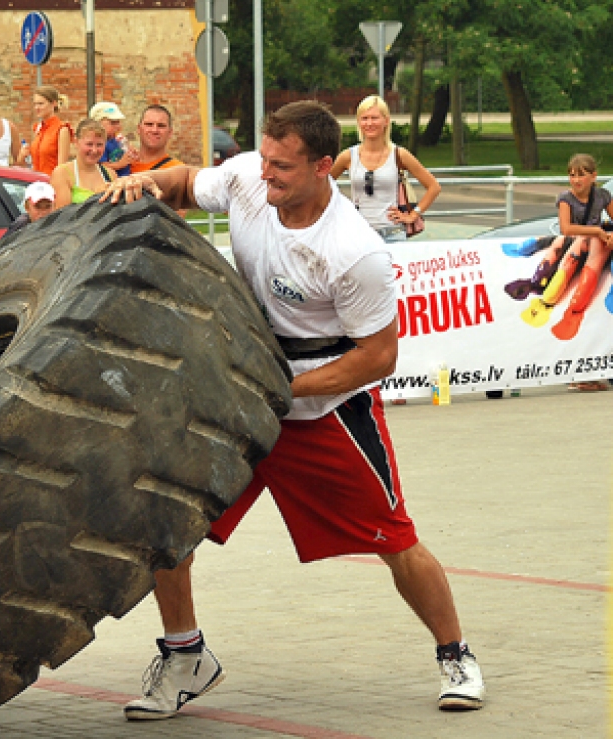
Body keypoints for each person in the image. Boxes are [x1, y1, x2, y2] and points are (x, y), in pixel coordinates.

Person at [103, 100, 486, 717]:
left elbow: (377, 358)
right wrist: (144, 180)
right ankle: (184, 656)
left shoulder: (353, 251)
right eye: (267, 160)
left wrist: (284, 390)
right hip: (238, 403)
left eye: (283, 167)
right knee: (166, 526)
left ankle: (455, 654)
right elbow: (180, 182)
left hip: (323, 412)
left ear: (322, 167)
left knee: (397, 542)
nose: (267, 175)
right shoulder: (249, 177)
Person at [521, 154, 613, 386]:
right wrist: (597, 232)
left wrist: (607, 233)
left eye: (581, 174)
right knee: (586, 240)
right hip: (574, 242)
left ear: (594, 176)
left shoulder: (603, 196)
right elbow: (566, 227)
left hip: (591, 243)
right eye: (572, 175)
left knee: (595, 243)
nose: (576, 180)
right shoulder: (565, 199)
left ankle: (570, 308)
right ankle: (559, 301)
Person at [330, 95, 441, 243]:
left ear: (386, 121)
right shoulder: (348, 156)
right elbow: (323, 185)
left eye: (374, 118)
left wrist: (413, 215)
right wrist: (340, 212)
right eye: (364, 118)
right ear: (358, 122)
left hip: (392, 233)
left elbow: (434, 187)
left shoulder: (399, 154)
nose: (369, 123)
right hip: (360, 234)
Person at [50, 119, 117, 208]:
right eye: (89, 144)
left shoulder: (111, 175)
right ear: (76, 142)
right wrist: (96, 198)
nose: (94, 150)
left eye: (99, 145)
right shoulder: (62, 174)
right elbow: (63, 218)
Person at [23, 85, 72, 176]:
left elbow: (62, 167)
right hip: (36, 182)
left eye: (41, 104)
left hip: (51, 182)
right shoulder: (37, 128)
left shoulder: (62, 129)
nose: (36, 108)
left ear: (54, 103)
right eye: (35, 104)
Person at [129, 105, 184, 174]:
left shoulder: (177, 171)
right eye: (149, 124)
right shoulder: (123, 165)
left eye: (161, 126)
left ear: (170, 133)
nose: (154, 130)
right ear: (139, 129)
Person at [90, 101, 137, 176]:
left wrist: (130, 152)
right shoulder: (99, 144)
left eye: (118, 122)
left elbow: (123, 153)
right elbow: (101, 167)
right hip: (112, 182)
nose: (118, 126)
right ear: (97, 124)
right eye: (113, 123)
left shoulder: (116, 140)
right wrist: (119, 164)